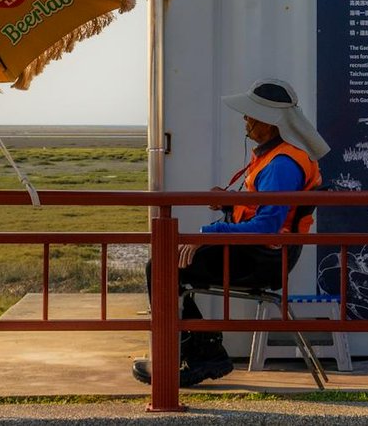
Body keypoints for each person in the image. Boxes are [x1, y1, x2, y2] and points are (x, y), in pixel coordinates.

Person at [133, 77, 329, 387]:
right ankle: (200, 350)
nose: (246, 120)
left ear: (269, 122)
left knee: (161, 266)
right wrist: (230, 203)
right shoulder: (276, 157)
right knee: (172, 265)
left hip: (262, 258)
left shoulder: (281, 165)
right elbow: (263, 211)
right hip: (259, 253)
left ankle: (191, 355)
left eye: (251, 115)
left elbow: (267, 226)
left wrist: (207, 234)